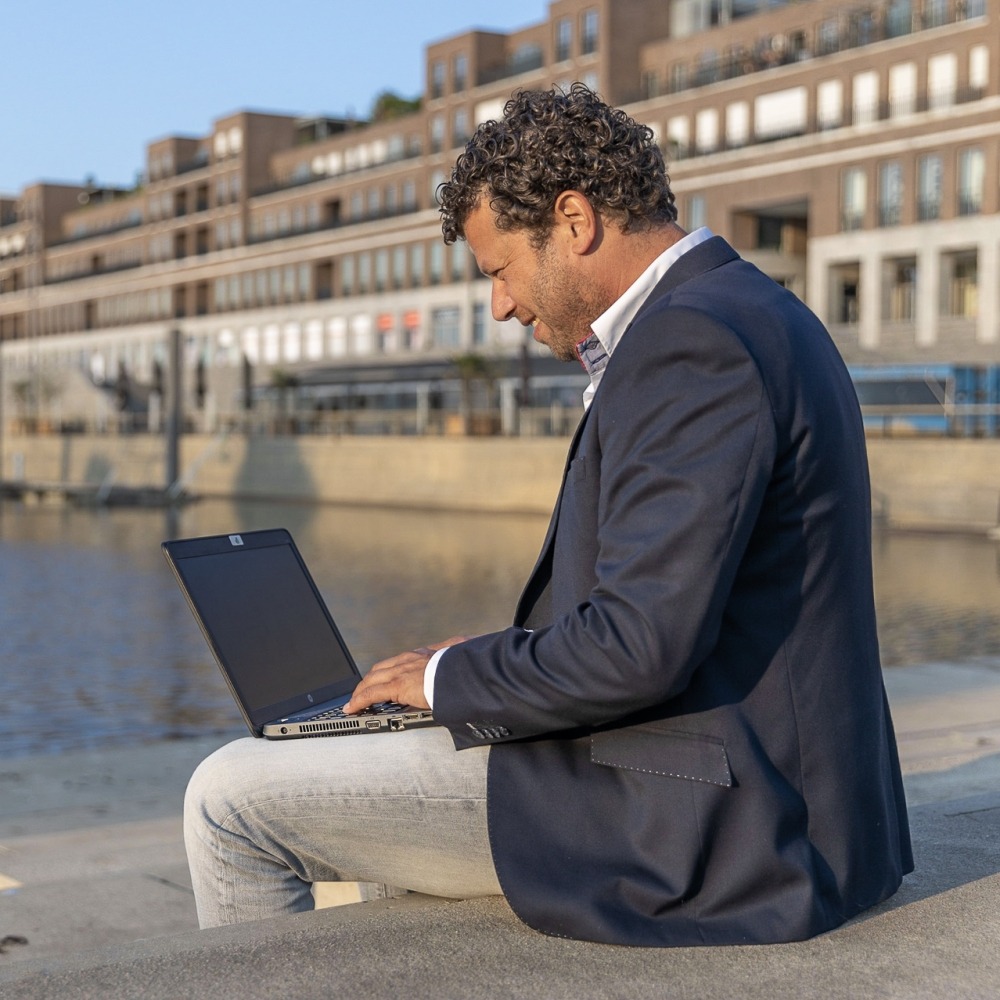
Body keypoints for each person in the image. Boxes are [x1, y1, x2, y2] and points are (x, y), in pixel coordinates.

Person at [184, 84, 912, 947]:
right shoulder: (756, 309)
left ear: (573, 220)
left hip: (714, 824)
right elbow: (676, 606)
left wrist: (448, 681)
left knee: (228, 796)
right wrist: (471, 666)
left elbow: (640, 647)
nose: (500, 306)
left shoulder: (689, 345)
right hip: (767, 789)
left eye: (500, 271)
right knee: (354, 758)